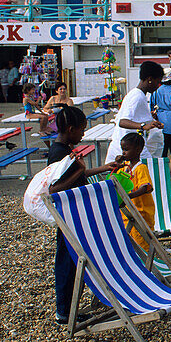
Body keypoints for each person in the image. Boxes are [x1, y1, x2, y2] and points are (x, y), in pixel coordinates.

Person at [46, 106, 121, 323]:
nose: (83, 135)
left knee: (72, 262)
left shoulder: (63, 148)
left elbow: (77, 174)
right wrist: (78, 171)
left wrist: (103, 168)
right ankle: (63, 312)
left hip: (73, 214)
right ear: (70, 129)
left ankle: (69, 310)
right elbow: (54, 189)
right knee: (67, 263)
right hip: (67, 216)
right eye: (81, 130)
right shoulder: (58, 153)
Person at [104, 63, 163, 164]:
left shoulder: (138, 94)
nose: (158, 86)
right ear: (149, 79)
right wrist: (143, 125)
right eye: (158, 82)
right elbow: (122, 122)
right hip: (128, 148)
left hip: (132, 147)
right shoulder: (137, 97)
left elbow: (136, 117)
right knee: (148, 172)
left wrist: (151, 121)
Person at [113, 132, 156, 246]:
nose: (123, 152)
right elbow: (114, 180)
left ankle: (145, 263)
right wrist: (117, 165)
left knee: (141, 243)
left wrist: (129, 196)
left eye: (126, 149)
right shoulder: (125, 167)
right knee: (129, 243)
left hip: (140, 215)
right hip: (127, 214)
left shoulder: (140, 168)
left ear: (138, 150)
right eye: (122, 149)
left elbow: (146, 187)